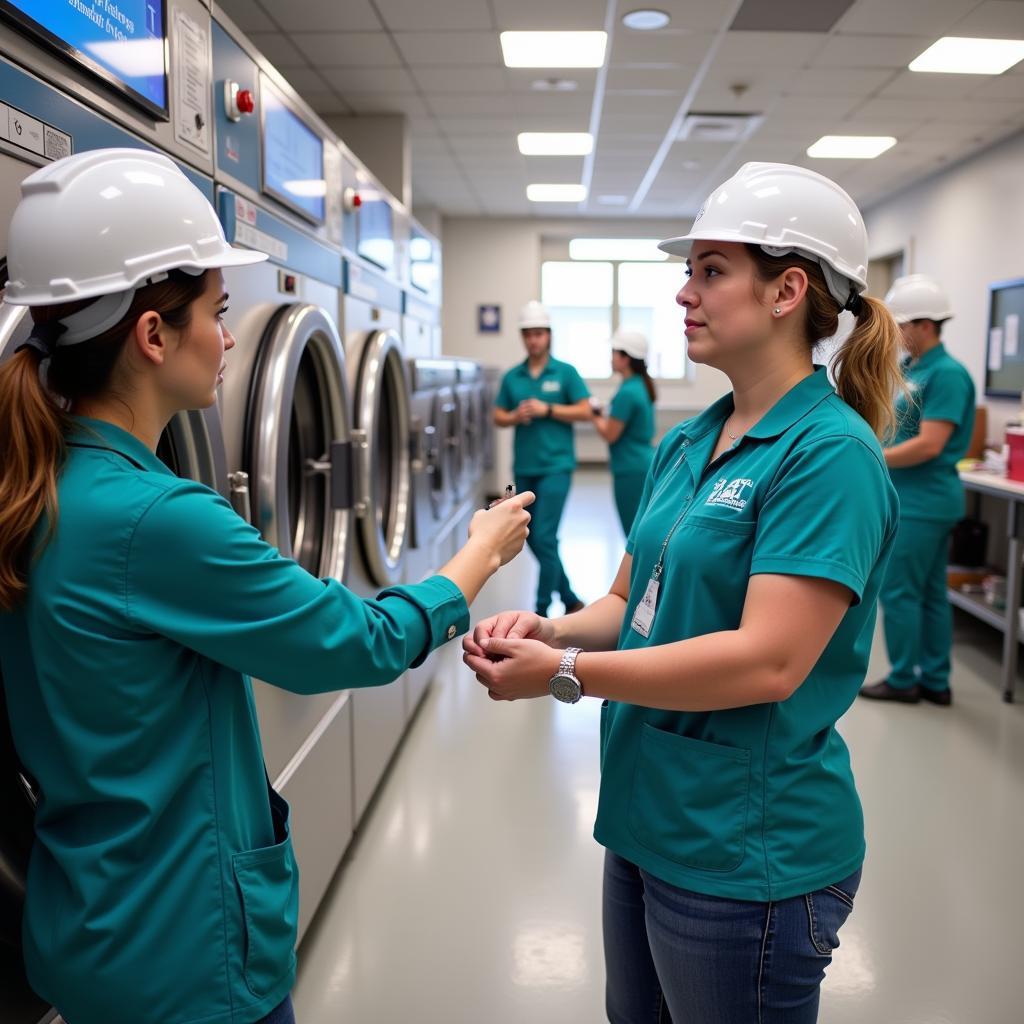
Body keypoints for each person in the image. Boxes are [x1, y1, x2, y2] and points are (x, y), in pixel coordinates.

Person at [0, 148, 533, 1024]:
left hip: (89, 921)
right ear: (152, 336)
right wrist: (475, 558)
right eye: (216, 311)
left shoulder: (40, 482)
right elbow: (359, 642)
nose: (232, 333)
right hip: (185, 951)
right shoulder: (156, 518)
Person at [465, 162, 906, 1023]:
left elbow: (769, 661)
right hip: (647, 816)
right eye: (688, 270)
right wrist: (547, 628)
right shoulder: (690, 439)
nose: (683, 294)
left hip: (747, 849)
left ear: (787, 290)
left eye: (710, 270)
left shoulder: (828, 455)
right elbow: (629, 608)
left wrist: (563, 672)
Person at [860, 274, 975, 706]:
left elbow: (930, 444)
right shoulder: (913, 369)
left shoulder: (948, 374)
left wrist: (869, 456)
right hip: (913, 498)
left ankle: (906, 677)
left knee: (901, 592)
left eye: (902, 326)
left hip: (924, 502)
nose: (897, 335)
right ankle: (936, 679)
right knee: (927, 593)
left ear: (926, 325)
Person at [493, 301, 592, 615]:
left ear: (548, 335)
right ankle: (570, 598)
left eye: (538, 334)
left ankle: (540, 609)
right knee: (534, 537)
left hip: (556, 466)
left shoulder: (565, 373)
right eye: (528, 334)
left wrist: (548, 409)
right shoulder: (513, 377)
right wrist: (514, 416)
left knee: (546, 535)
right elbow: (497, 415)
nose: (533, 340)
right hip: (525, 466)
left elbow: (586, 409)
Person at [591, 328, 657, 534]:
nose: (611, 358)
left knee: (633, 535)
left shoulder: (627, 392)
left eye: (614, 352)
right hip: (642, 463)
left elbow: (610, 434)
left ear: (626, 358)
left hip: (630, 470)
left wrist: (594, 414)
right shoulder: (639, 385)